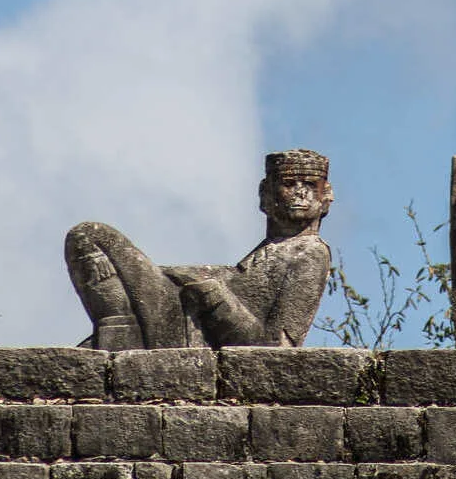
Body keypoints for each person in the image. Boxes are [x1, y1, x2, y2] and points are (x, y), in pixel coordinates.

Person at [65, 149, 333, 350]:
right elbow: (236, 280)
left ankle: (122, 339)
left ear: (325, 196)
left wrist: (214, 295)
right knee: (89, 237)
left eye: (310, 185)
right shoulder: (274, 248)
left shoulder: (311, 254)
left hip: (185, 330)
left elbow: (273, 351)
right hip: (182, 315)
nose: (300, 193)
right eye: (289, 184)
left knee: (91, 235)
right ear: (267, 193)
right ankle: (122, 334)